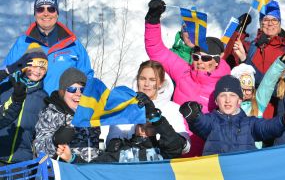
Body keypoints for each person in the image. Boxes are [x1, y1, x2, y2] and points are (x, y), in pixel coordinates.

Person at [144, 0, 231, 156]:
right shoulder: (184, 72)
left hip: (208, 155)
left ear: (216, 61)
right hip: (177, 149)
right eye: (196, 57)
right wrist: (152, 20)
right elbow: (157, 51)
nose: (199, 62)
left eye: (205, 59)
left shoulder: (226, 84)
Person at [179, 75, 285, 156]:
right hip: (216, 178)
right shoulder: (211, 121)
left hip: (244, 177)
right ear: (216, 101)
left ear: (239, 100)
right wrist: (194, 116)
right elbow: (202, 124)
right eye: (223, 96)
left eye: (232, 96)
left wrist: (284, 120)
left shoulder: (250, 123)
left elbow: (267, 127)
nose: (227, 100)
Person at [2, 0, 93, 95]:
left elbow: (87, 79)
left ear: (57, 13)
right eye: (40, 9)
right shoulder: (23, 42)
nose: (46, 13)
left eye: (51, 9)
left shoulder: (73, 44)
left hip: (63, 109)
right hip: (28, 107)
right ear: (35, 14)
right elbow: (5, 75)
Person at [56, 93, 188, 163]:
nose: (143, 129)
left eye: (149, 126)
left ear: (157, 129)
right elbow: (92, 170)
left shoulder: (162, 151)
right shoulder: (121, 150)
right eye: (141, 124)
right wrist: (71, 158)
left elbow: (174, 144)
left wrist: (155, 116)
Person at [106, 60, 190, 155]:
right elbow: (112, 142)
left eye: (152, 80)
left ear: (160, 83)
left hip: (163, 164)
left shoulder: (172, 108)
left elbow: (185, 147)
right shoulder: (125, 107)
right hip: (131, 163)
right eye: (142, 79)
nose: (146, 84)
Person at [233, 1, 285, 119]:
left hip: (273, 115)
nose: (270, 24)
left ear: (279, 24)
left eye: (274, 20)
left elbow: (280, 90)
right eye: (265, 20)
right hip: (247, 112)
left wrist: (245, 60)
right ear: (260, 23)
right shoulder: (252, 47)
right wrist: (238, 31)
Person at [33, 68, 100, 162]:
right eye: (72, 89)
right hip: (63, 172)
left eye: (82, 89)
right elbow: (39, 150)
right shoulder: (52, 113)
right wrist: (54, 140)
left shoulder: (91, 115)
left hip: (89, 172)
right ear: (63, 92)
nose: (78, 94)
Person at [0, 43, 48, 164]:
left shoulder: (43, 97)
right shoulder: (6, 88)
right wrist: (8, 70)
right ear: (24, 66)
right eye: (34, 66)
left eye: (42, 68)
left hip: (22, 160)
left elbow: (42, 131)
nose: (38, 71)